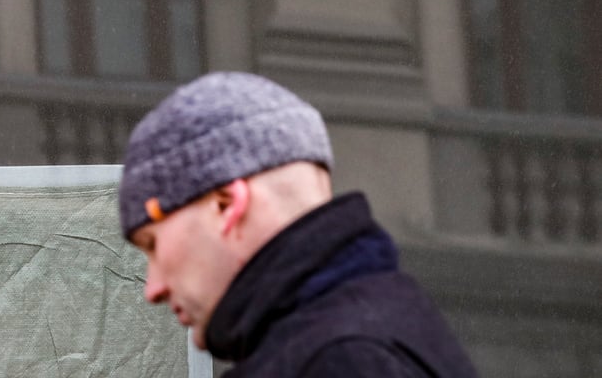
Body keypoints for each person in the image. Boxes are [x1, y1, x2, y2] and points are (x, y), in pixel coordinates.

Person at [118, 72, 478, 377]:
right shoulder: (377, 331)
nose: (153, 288)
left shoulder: (338, 359)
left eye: (152, 244)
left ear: (227, 205)